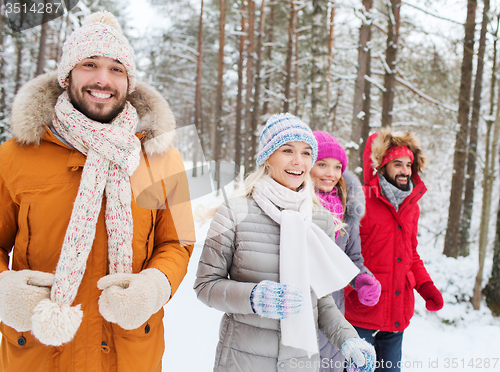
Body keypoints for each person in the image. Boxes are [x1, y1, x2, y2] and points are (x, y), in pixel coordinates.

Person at [0, 11, 195, 372]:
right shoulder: (13, 156)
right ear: (67, 74)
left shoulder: (163, 158)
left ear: (129, 81)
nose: (103, 79)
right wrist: (3, 288)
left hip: (128, 352)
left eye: (116, 68)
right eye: (90, 64)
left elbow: (178, 243)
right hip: (39, 353)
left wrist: (156, 284)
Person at [194, 113, 376, 372]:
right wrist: (254, 297)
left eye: (305, 153)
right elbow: (205, 286)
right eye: (287, 150)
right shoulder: (234, 212)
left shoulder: (321, 220)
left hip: (301, 364)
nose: (298, 161)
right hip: (243, 362)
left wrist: (349, 340)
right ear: (267, 157)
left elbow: (322, 301)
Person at [344, 127, 444, 372]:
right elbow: (341, 251)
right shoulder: (360, 199)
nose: (404, 171)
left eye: (408, 165)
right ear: (382, 166)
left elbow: (411, 254)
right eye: (397, 164)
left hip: (395, 316)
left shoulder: (411, 207)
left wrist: (425, 286)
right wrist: (351, 287)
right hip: (360, 314)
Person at [310, 131, 381, 372]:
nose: (331, 173)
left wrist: (362, 280)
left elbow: (352, 258)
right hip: (295, 310)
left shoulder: (347, 211)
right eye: (322, 164)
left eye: (337, 166)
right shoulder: (292, 205)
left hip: (333, 313)